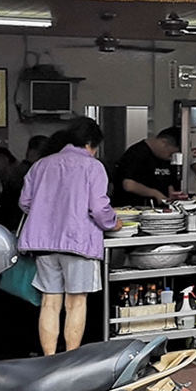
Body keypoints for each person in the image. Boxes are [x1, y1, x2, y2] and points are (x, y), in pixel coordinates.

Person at [18, 116, 121, 355]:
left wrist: (49, 214)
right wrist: (113, 223)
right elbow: (98, 208)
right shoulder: (93, 167)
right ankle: (70, 360)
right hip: (78, 243)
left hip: (43, 243)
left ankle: (49, 360)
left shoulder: (42, 164)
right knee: (75, 303)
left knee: (50, 303)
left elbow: (25, 203)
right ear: (91, 143)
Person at [112, 127, 182, 206]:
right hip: (133, 208)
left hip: (159, 210)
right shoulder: (136, 153)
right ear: (163, 142)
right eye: (171, 154)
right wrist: (155, 193)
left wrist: (172, 196)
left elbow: (168, 181)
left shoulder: (163, 159)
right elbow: (128, 185)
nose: (170, 158)